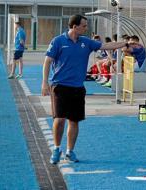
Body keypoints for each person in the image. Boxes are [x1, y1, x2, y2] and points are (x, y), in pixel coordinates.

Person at [41, 14, 128, 164]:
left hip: (78, 88)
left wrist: (125, 43)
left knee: (74, 121)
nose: (86, 28)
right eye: (84, 26)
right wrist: (44, 83)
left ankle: (70, 151)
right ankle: (56, 148)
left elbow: (106, 46)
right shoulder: (58, 41)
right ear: (74, 27)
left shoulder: (86, 42)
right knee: (60, 119)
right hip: (60, 87)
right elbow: (47, 61)